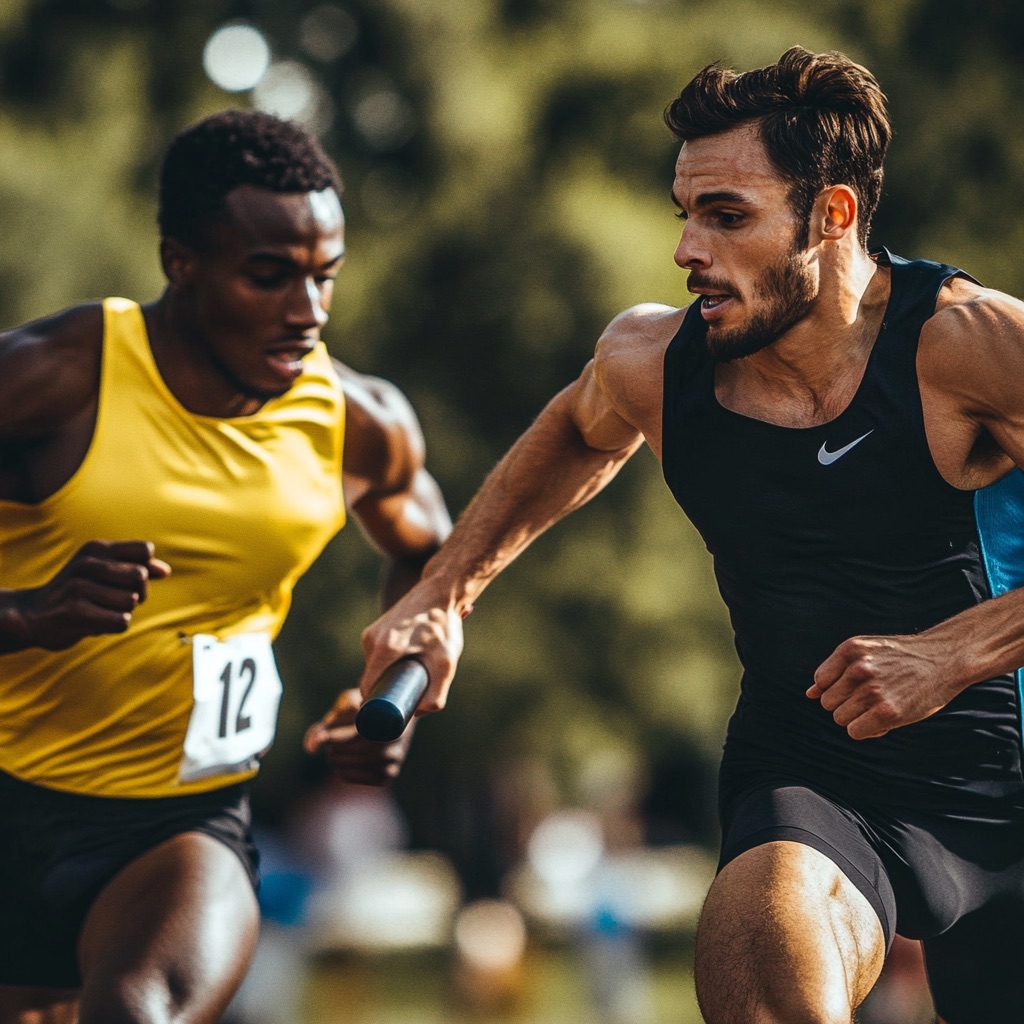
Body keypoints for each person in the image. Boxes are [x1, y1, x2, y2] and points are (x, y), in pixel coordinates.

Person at [356, 46, 1024, 1024]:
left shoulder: (964, 346)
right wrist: (442, 594)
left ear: (831, 214)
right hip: (816, 768)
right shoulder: (654, 364)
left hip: (1008, 770)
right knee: (759, 946)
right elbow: (577, 432)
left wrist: (954, 651)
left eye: (726, 215)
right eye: (684, 212)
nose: (685, 249)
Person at [0, 109, 451, 1024]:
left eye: (326, 277)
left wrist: (394, 687)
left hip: (178, 824)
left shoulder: (359, 419)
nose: (308, 311)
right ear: (181, 263)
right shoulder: (54, 378)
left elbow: (432, 556)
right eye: (269, 276)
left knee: (139, 1011)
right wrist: (25, 615)